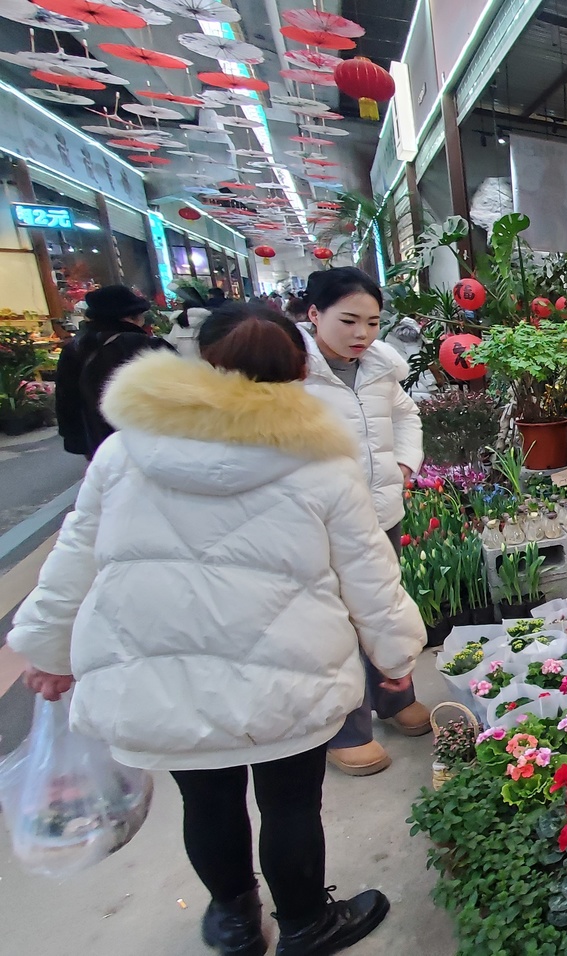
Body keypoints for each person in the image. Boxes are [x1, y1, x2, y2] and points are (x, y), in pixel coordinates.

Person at [10, 303, 425, 956]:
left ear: (201, 362)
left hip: (163, 671)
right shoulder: (322, 461)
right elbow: (369, 573)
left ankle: (235, 923)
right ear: (299, 373)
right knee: (291, 804)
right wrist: (395, 656)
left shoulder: (124, 450)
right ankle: (305, 924)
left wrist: (45, 649)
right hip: (290, 670)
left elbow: (73, 559)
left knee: (206, 801)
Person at [299, 267, 427, 776]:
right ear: (314, 314)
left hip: (381, 511)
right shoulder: (292, 371)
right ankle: (347, 729)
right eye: (349, 321)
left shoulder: (379, 367)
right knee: (336, 622)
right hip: (323, 521)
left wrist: (405, 464)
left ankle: (395, 700)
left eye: (372, 323)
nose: (362, 334)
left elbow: (406, 415)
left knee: (383, 605)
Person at [55, 285, 174, 458]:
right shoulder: (147, 345)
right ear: (131, 317)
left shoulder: (74, 348)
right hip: (147, 442)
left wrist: (77, 440)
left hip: (97, 443)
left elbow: (66, 399)